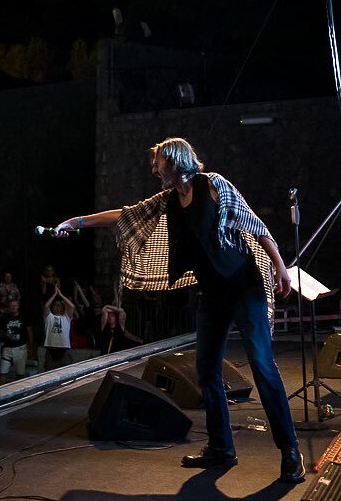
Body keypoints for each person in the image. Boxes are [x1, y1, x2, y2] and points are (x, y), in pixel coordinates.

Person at [52, 136, 304, 483]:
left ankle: (290, 452)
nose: (155, 170)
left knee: (262, 366)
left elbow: (255, 225)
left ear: (174, 162)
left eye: (158, 164)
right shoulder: (169, 200)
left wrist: (279, 267)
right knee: (206, 370)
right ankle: (221, 448)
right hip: (213, 294)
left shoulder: (214, 185)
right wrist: (75, 222)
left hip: (244, 288)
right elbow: (127, 215)